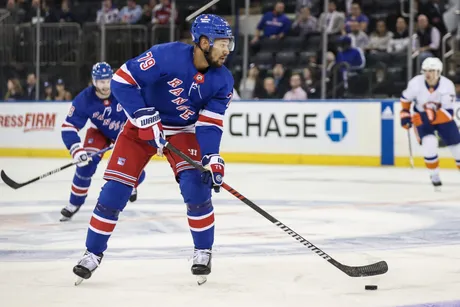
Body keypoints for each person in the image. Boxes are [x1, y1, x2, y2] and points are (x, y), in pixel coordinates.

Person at [72, 14, 234, 285]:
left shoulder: (223, 81)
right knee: (115, 191)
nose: (227, 49)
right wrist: (142, 115)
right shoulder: (165, 56)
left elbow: (209, 123)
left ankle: (203, 251)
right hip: (140, 127)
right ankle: (92, 253)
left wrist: (212, 157)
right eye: (222, 43)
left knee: (197, 189)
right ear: (204, 42)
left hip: (183, 131)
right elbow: (122, 80)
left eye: (229, 43)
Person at [60, 62, 145, 222]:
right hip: (99, 132)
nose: (105, 85)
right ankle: (74, 203)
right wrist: (76, 149)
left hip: (125, 133)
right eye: (101, 82)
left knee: (134, 169)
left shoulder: (122, 91)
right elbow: (68, 126)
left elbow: (141, 111)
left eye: (107, 81)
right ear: (94, 81)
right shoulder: (84, 99)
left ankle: (131, 184)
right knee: (85, 165)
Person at [400, 57, 458, 187]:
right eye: (425, 70)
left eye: (432, 70)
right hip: (421, 116)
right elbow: (405, 99)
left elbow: (447, 113)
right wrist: (404, 114)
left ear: (439, 72)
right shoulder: (415, 83)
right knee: (429, 144)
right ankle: (434, 175)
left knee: (458, 148)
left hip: (441, 118)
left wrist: (427, 116)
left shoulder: (447, 85)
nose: (428, 74)